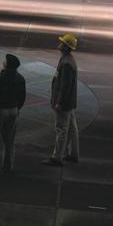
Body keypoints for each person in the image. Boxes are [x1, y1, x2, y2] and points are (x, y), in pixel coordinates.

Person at [43, 33, 80, 166]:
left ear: (65, 47)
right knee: (71, 128)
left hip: (64, 103)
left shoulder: (66, 63)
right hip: (69, 101)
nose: (59, 44)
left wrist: (59, 102)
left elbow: (65, 86)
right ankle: (73, 153)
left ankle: (57, 157)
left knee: (61, 129)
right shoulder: (68, 59)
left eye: (62, 43)